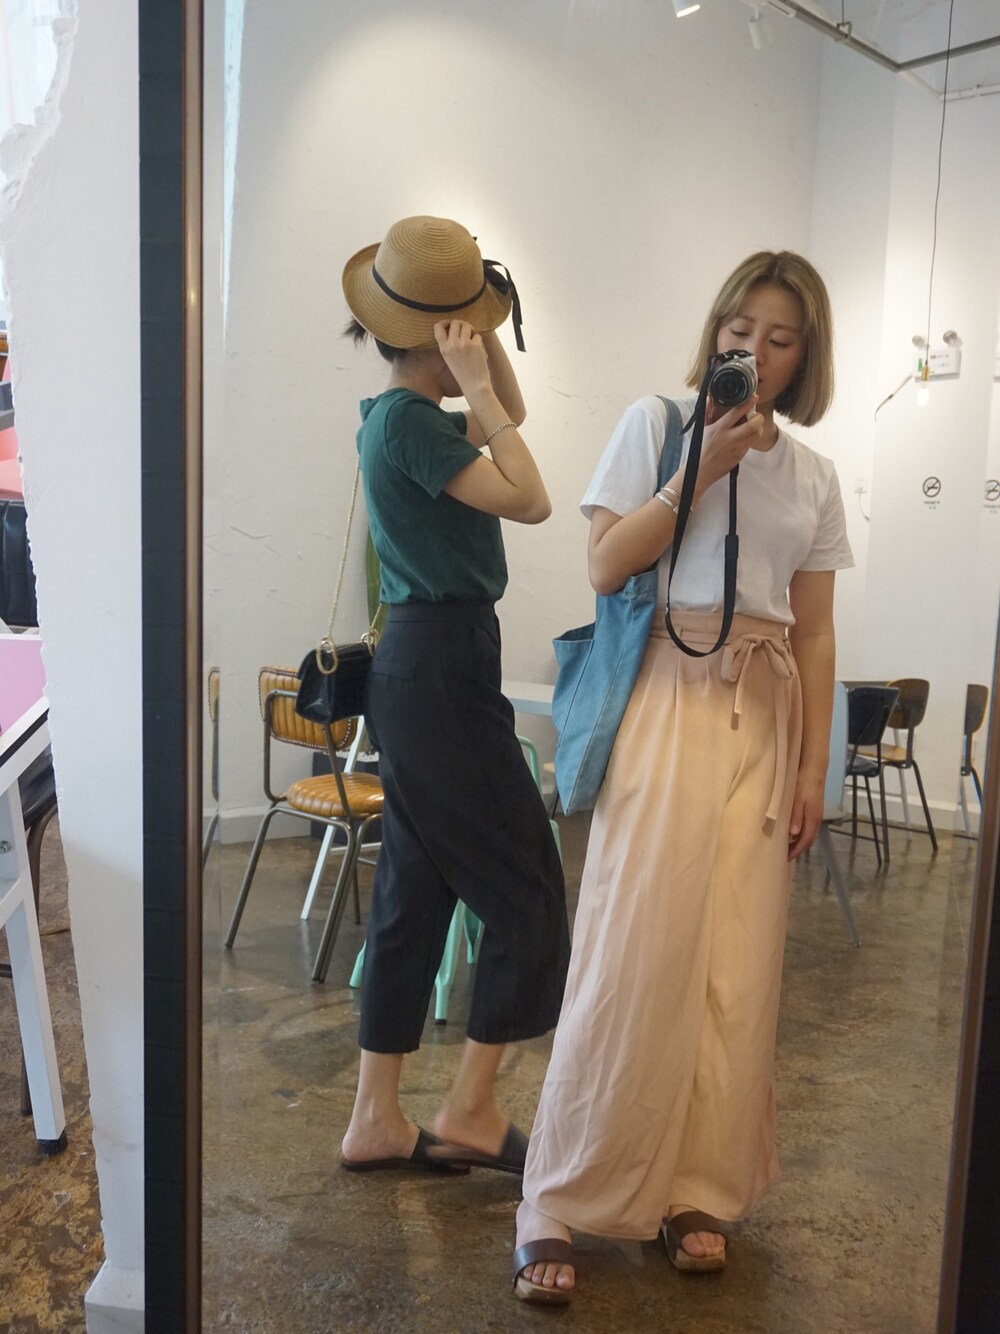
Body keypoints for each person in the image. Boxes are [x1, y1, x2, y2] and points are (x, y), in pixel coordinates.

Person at [513, 251, 853, 1304]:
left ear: (804, 357)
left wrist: (814, 766)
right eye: (738, 328)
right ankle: (556, 1193)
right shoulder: (655, 423)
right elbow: (606, 564)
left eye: (779, 337)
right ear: (715, 332)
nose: (753, 348)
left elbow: (815, 630)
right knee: (631, 947)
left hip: (765, 705)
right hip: (668, 687)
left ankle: (693, 1187)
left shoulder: (812, 475)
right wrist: (700, 463)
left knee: (735, 965)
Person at [338, 216, 569, 1178]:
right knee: (530, 896)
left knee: (415, 894)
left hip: (429, 666)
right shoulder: (408, 425)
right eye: (464, 325)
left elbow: (512, 413)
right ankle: (471, 1108)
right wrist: (473, 377)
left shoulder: (410, 421)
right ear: (433, 336)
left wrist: (484, 356)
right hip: (439, 667)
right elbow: (531, 497)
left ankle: (375, 1119)